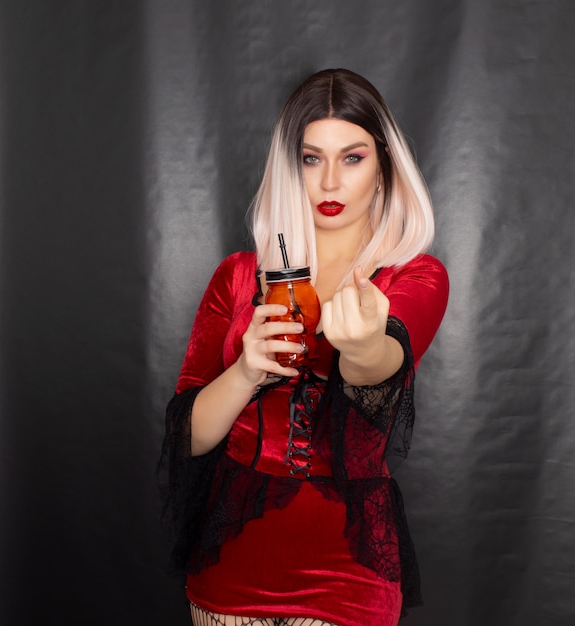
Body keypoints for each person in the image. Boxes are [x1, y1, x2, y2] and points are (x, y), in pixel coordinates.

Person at [160, 68, 449, 626]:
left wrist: (363, 344)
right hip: (231, 571)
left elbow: (383, 368)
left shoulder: (411, 279)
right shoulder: (240, 277)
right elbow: (185, 438)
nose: (331, 183)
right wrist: (246, 369)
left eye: (353, 157)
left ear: (384, 165)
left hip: (350, 575)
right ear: (290, 167)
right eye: (312, 158)